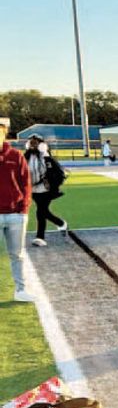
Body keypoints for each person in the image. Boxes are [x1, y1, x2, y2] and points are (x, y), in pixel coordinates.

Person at [0, 117, 34, 302]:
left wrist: (23, 209)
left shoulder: (16, 156)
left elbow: (26, 183)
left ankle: (20, 290)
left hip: (15, 215)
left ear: (4, 133)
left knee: (17, 255)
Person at [24, 135, 66, 247]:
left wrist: (46, 155)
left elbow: (55, 173)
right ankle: (60, 223)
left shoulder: (45, 157)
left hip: (46, 189)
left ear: (41, 144)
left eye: (36, 142)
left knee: (41, 211)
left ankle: (40, 237)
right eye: (31, 142)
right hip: (33, 190)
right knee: (43, 211)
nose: (33, 144)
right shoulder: (26, 157)